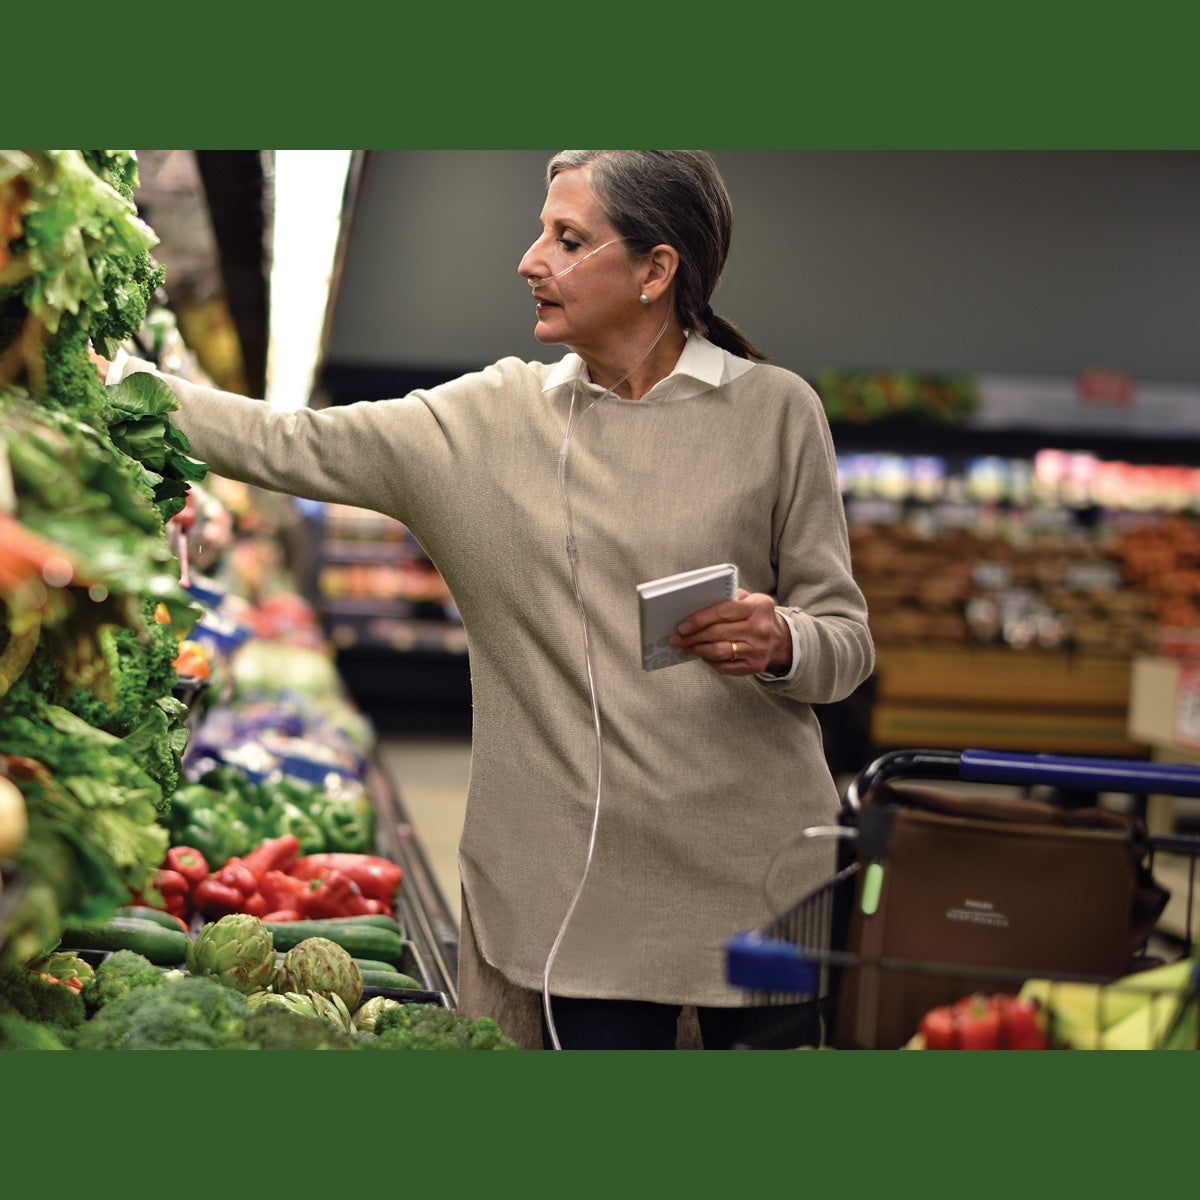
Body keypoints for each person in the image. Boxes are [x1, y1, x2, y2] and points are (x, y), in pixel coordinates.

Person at [99, 150, 875, 1049]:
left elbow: (846, 641)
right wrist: (104, 377)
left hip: (761, 878)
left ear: (656, 270)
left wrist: (784, 641)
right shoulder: (489, 422)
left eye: (568, 239)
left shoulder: (776, 414)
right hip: (582, 899)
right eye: (542, 232)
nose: (529, 260)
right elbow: (288, 440)